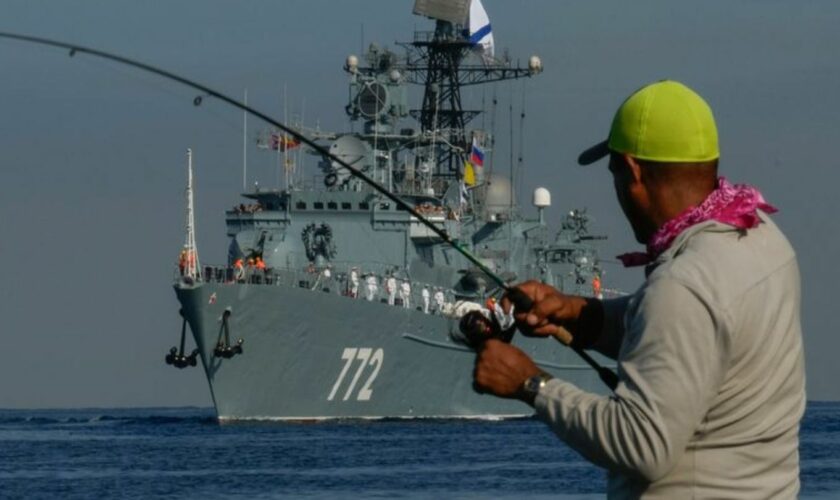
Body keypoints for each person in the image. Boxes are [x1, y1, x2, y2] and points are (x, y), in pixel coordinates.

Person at [473, 80, 805, 499]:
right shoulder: (763, 238)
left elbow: (641, 445)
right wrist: (580, 314)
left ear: (632, 171)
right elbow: (692, 334)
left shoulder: (682, 286)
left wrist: (530, 383)